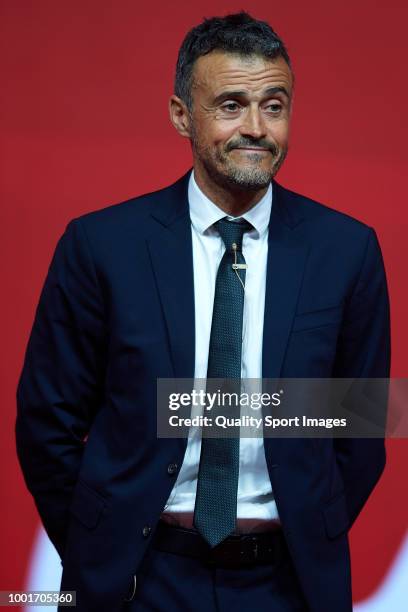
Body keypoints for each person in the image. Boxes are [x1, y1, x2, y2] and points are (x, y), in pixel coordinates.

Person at [15, 11, 391, 612]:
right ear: (181, 115)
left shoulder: (347, 250)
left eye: (274, 104)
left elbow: (361, 429)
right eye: (231, 105)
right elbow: (47, 424)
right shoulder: (101, 245)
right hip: (139, 581)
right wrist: (100, 548)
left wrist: (309, 534)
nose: (256, 128)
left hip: (290, 586)